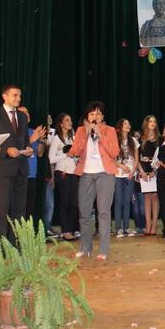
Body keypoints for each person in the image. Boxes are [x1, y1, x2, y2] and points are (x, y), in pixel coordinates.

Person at [0, 84, 44, 240]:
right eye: (15, 95)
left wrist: (28, 148)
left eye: (19, 95)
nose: (18, 98)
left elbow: (25, 141)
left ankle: (15, 245)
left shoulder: (22, 117)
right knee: (3, 210)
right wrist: (5, 150)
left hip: (21, 169)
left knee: (19, 211)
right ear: (5, 96)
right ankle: (2, 246)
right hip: (3, 170)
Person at [70, 101, 119, 260]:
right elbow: (75, 151)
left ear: (102, 116)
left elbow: (115, 152)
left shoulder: (110, 130)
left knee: (103, 212)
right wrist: (85, 134)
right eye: (92, 113)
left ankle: (103, 250)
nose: (95, 116)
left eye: (98, 113)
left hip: (105, 174)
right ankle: (85, 248)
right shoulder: (80, 131)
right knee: (84, 213)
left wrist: (101, 135)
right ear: (87, 117)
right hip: (86, 174)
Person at [48, 113, 79, 240]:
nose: (70, 122)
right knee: (65, 201)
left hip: (74, 172)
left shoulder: (74, 138)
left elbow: (77, 154)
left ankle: (70, 229)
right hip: (61, 172)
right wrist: (65, 155)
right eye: (67, 120)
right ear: (61, 124)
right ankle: (65, 231)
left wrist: (76, 156)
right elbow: (50, 159)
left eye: (70, 120)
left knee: (74, 203)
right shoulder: (56, 139)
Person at [19, 106, 45, 235]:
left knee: (29, 208)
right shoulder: (15, 132)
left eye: (27, 112)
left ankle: (27, 236)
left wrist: (41, 141)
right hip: (19, 175)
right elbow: (15, 150)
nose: (26, 114)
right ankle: (17, 236)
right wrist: (32, 139)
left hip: (32, 175)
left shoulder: (33, 131)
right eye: (23, 112)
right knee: (19, 208)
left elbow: (40, 153)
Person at [113, 119, 138, 238]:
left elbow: (136, 159)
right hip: (118, 174)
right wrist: (121, 166)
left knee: (127, 202)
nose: (128, 125)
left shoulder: (133, 140)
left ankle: (126, 227)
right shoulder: (115, 140)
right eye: (125, 124)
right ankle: (118, 228)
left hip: (130, 175)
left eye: (129, 123)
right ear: (120, 126)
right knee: (118, 201)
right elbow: (111, 159)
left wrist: (132, 171)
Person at [138, 116, 160, 235]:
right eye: (150, 121)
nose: (152, 123)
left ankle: (154, 224)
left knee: (155, 197)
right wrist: (141, 172)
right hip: (144, 170)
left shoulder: (159, 139)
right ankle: (148, 224)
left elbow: (161, 157)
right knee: (147, 197)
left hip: (155, 170)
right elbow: (136, 157)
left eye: (154, 121)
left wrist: (154, 171)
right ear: (146, 123)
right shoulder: (140, 139)